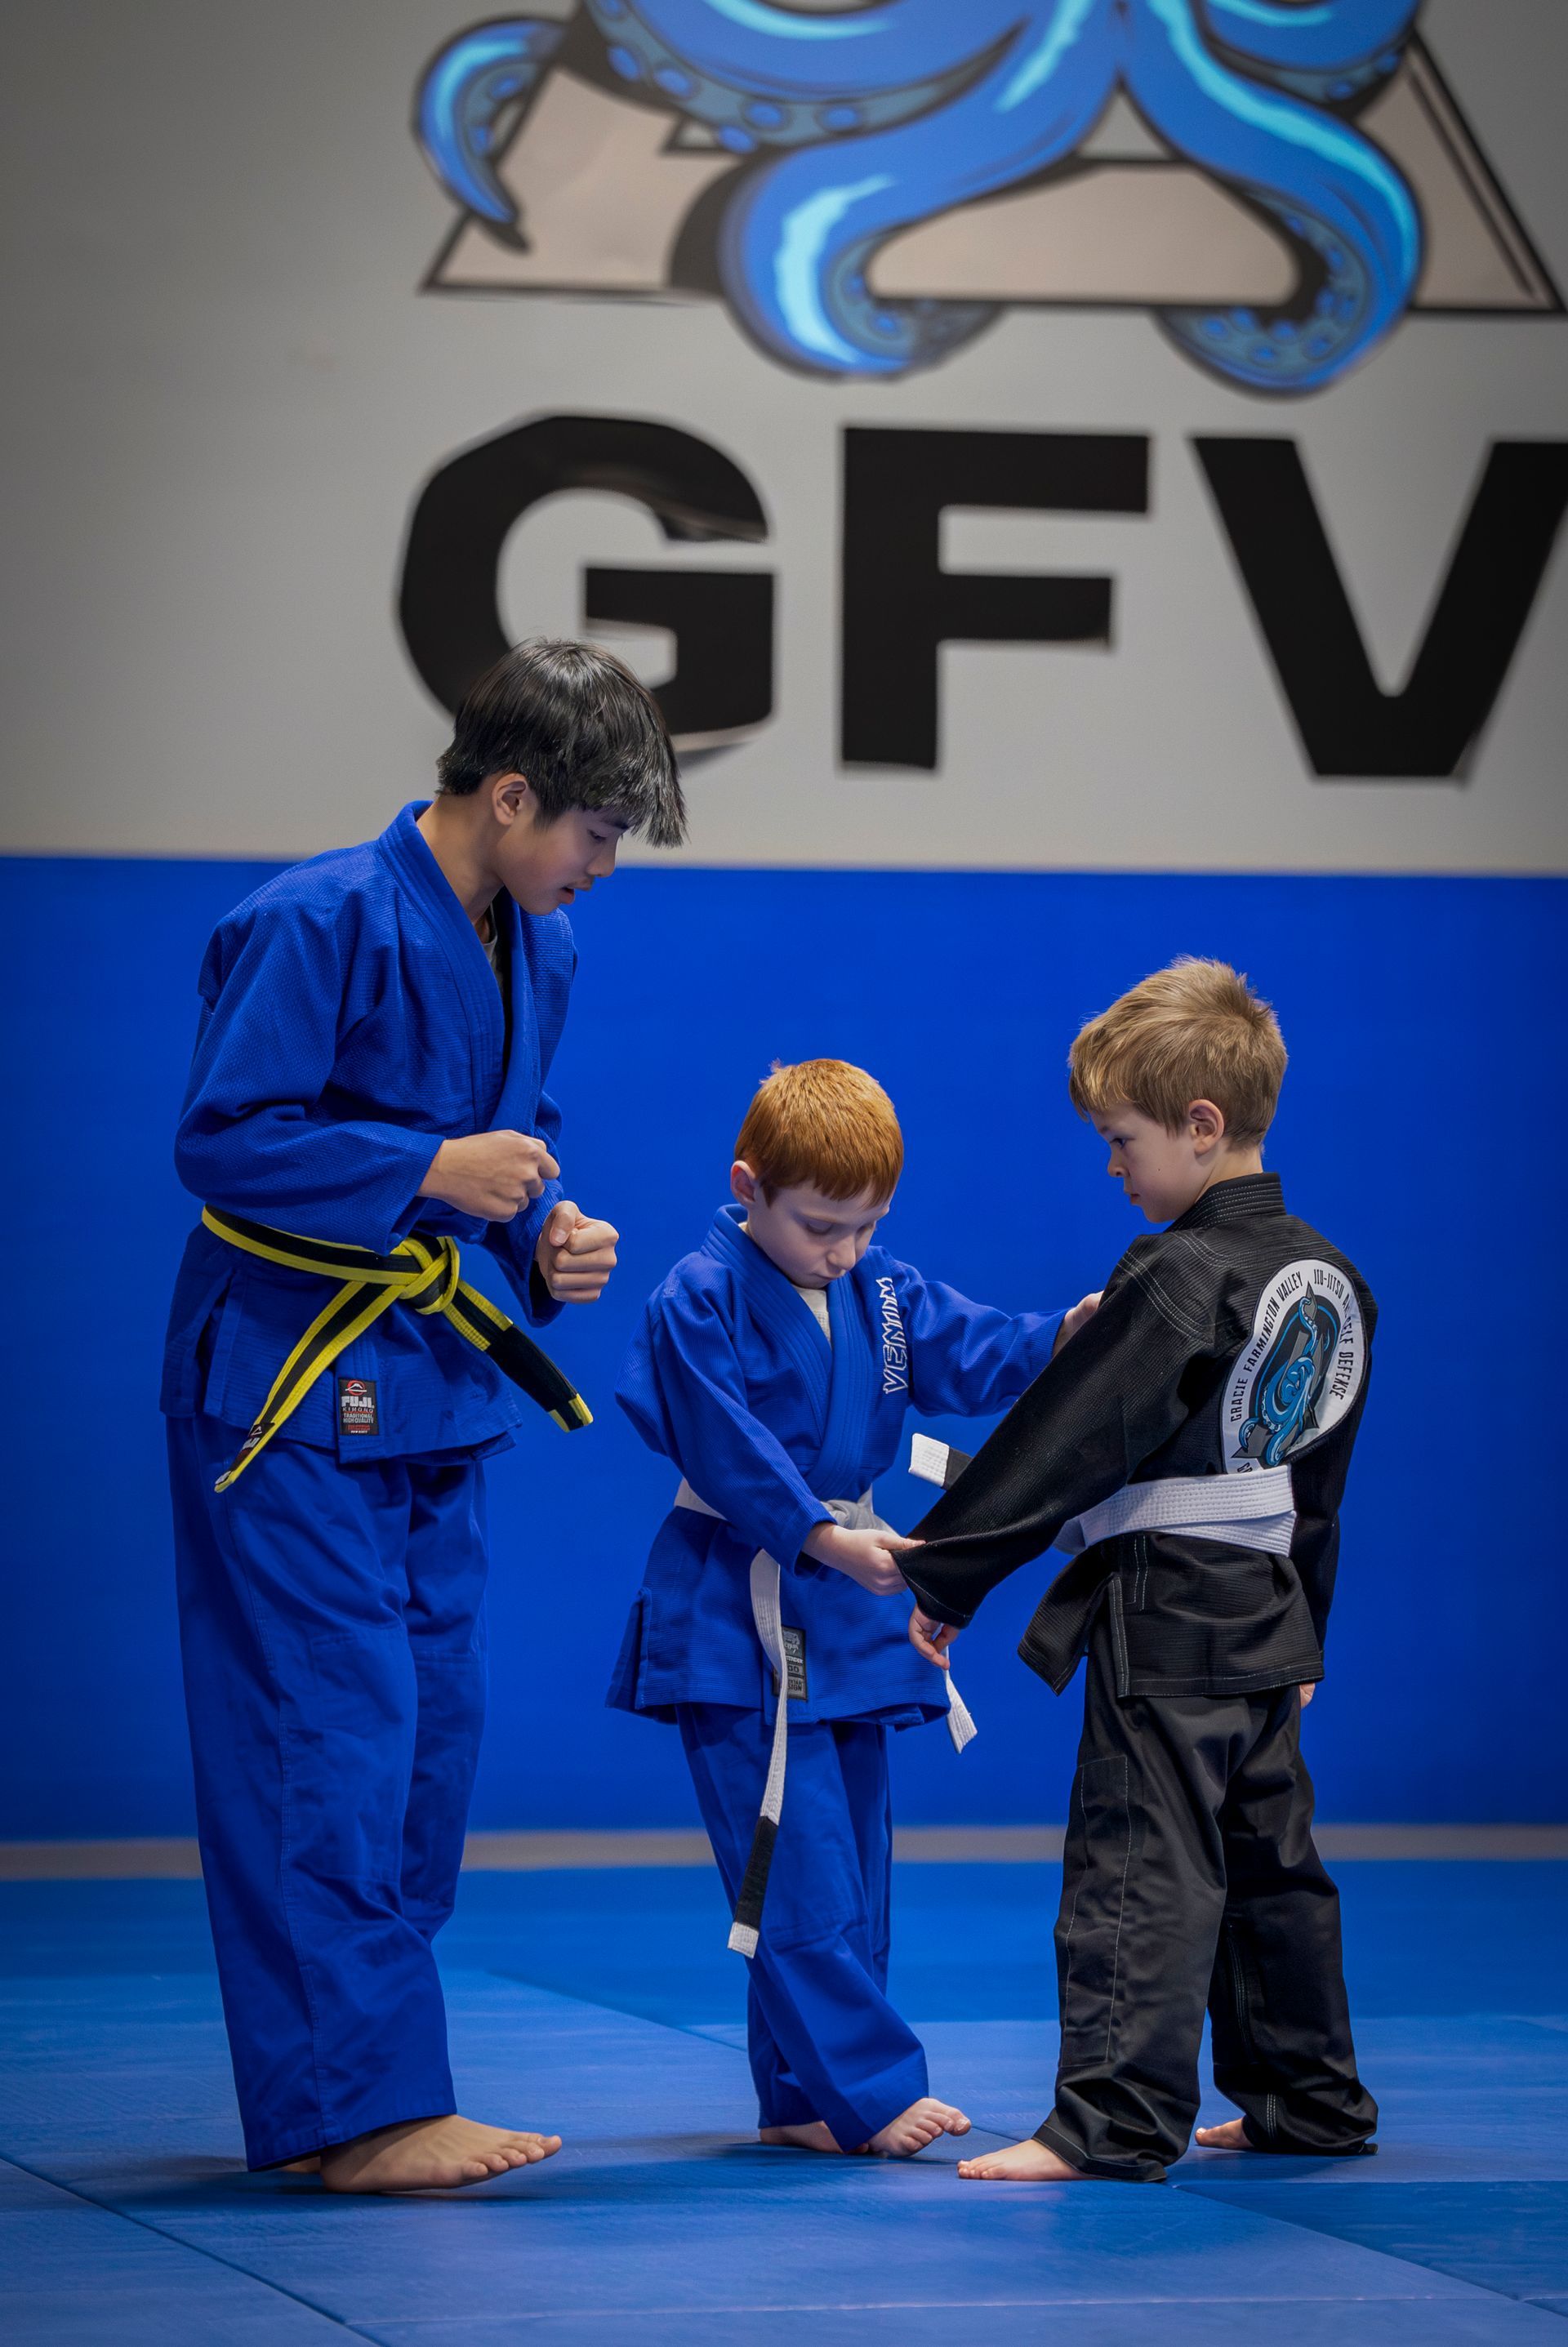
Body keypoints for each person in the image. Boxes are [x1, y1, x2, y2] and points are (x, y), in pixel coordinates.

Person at [161, 639, 684, 2193]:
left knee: (428, 1744)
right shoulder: (313, 916)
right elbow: (224, 1138)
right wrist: (423, 1169)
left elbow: (511, 1145)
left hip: (435, 1389)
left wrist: (542, 1236)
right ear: (511, 795)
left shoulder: (547, 946)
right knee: (329, 1732)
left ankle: (362, 2075)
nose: (601, 868)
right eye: (593, 835)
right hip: (289, 1379)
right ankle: (361, 2107)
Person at [902, 959, 1379, 2184]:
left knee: (1141, 1851)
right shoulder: (1327, 1277)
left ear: (1201, 1125)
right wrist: (1309, 1628)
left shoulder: (1174, 1275)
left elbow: (1066, 1441)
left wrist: (944, 1573)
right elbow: (1315, 1484)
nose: (1113, 1166)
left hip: (1165, 1609)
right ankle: (1308, 2097)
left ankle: (1110, 2121)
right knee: (1271, 1855)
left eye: (1123, 1139)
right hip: (1269, 1611)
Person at [609, 1059, 1099, 2158]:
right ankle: (869, 2088)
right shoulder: (698, 1293)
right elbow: (720, 1440)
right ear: (749, 1185)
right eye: (821, 1225)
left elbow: (976, 1350)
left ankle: (798, 2097)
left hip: (852, 1605)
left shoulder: (882, 1290)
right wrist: (825, 1534)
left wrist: (1067, 1333)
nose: (843, 1250)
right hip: (741, 1597)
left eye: (865, 1226)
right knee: (797, 1860)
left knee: (858, 1865)